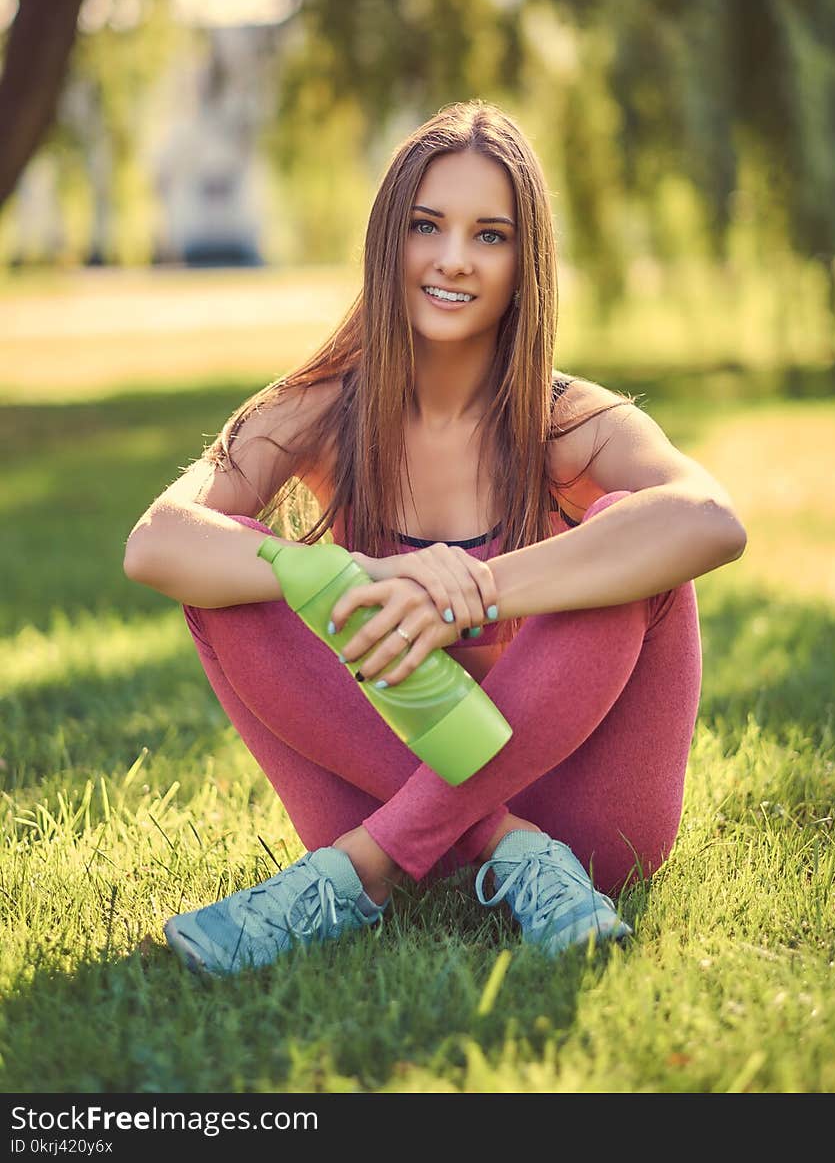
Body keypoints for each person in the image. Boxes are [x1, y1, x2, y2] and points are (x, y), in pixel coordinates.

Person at [123, 99, 747, 976]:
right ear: (390, 241)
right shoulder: (315, 411)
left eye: (490, 235)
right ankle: (505, 848)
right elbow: (156, 542)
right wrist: (350, 570)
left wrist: (485, 588)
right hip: (392, 777)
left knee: (630, 546)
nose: (453, 260)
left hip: (589, 837)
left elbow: (712, 521)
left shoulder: (569, 420)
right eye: (428, 226)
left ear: (526, 262)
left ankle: (359, 874)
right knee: (233, 571)